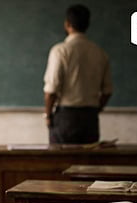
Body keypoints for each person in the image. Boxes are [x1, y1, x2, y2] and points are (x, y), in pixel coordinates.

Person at [43, 4, 113, 144]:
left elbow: (51, 90)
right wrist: (95, 110)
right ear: (87, 25)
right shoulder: (100, 53)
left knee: (60, 162)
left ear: (67, 24)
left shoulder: (60, 51)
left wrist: (48, 115)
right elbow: (107, 91)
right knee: (89, 163)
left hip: (66, 117)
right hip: (90, 118)